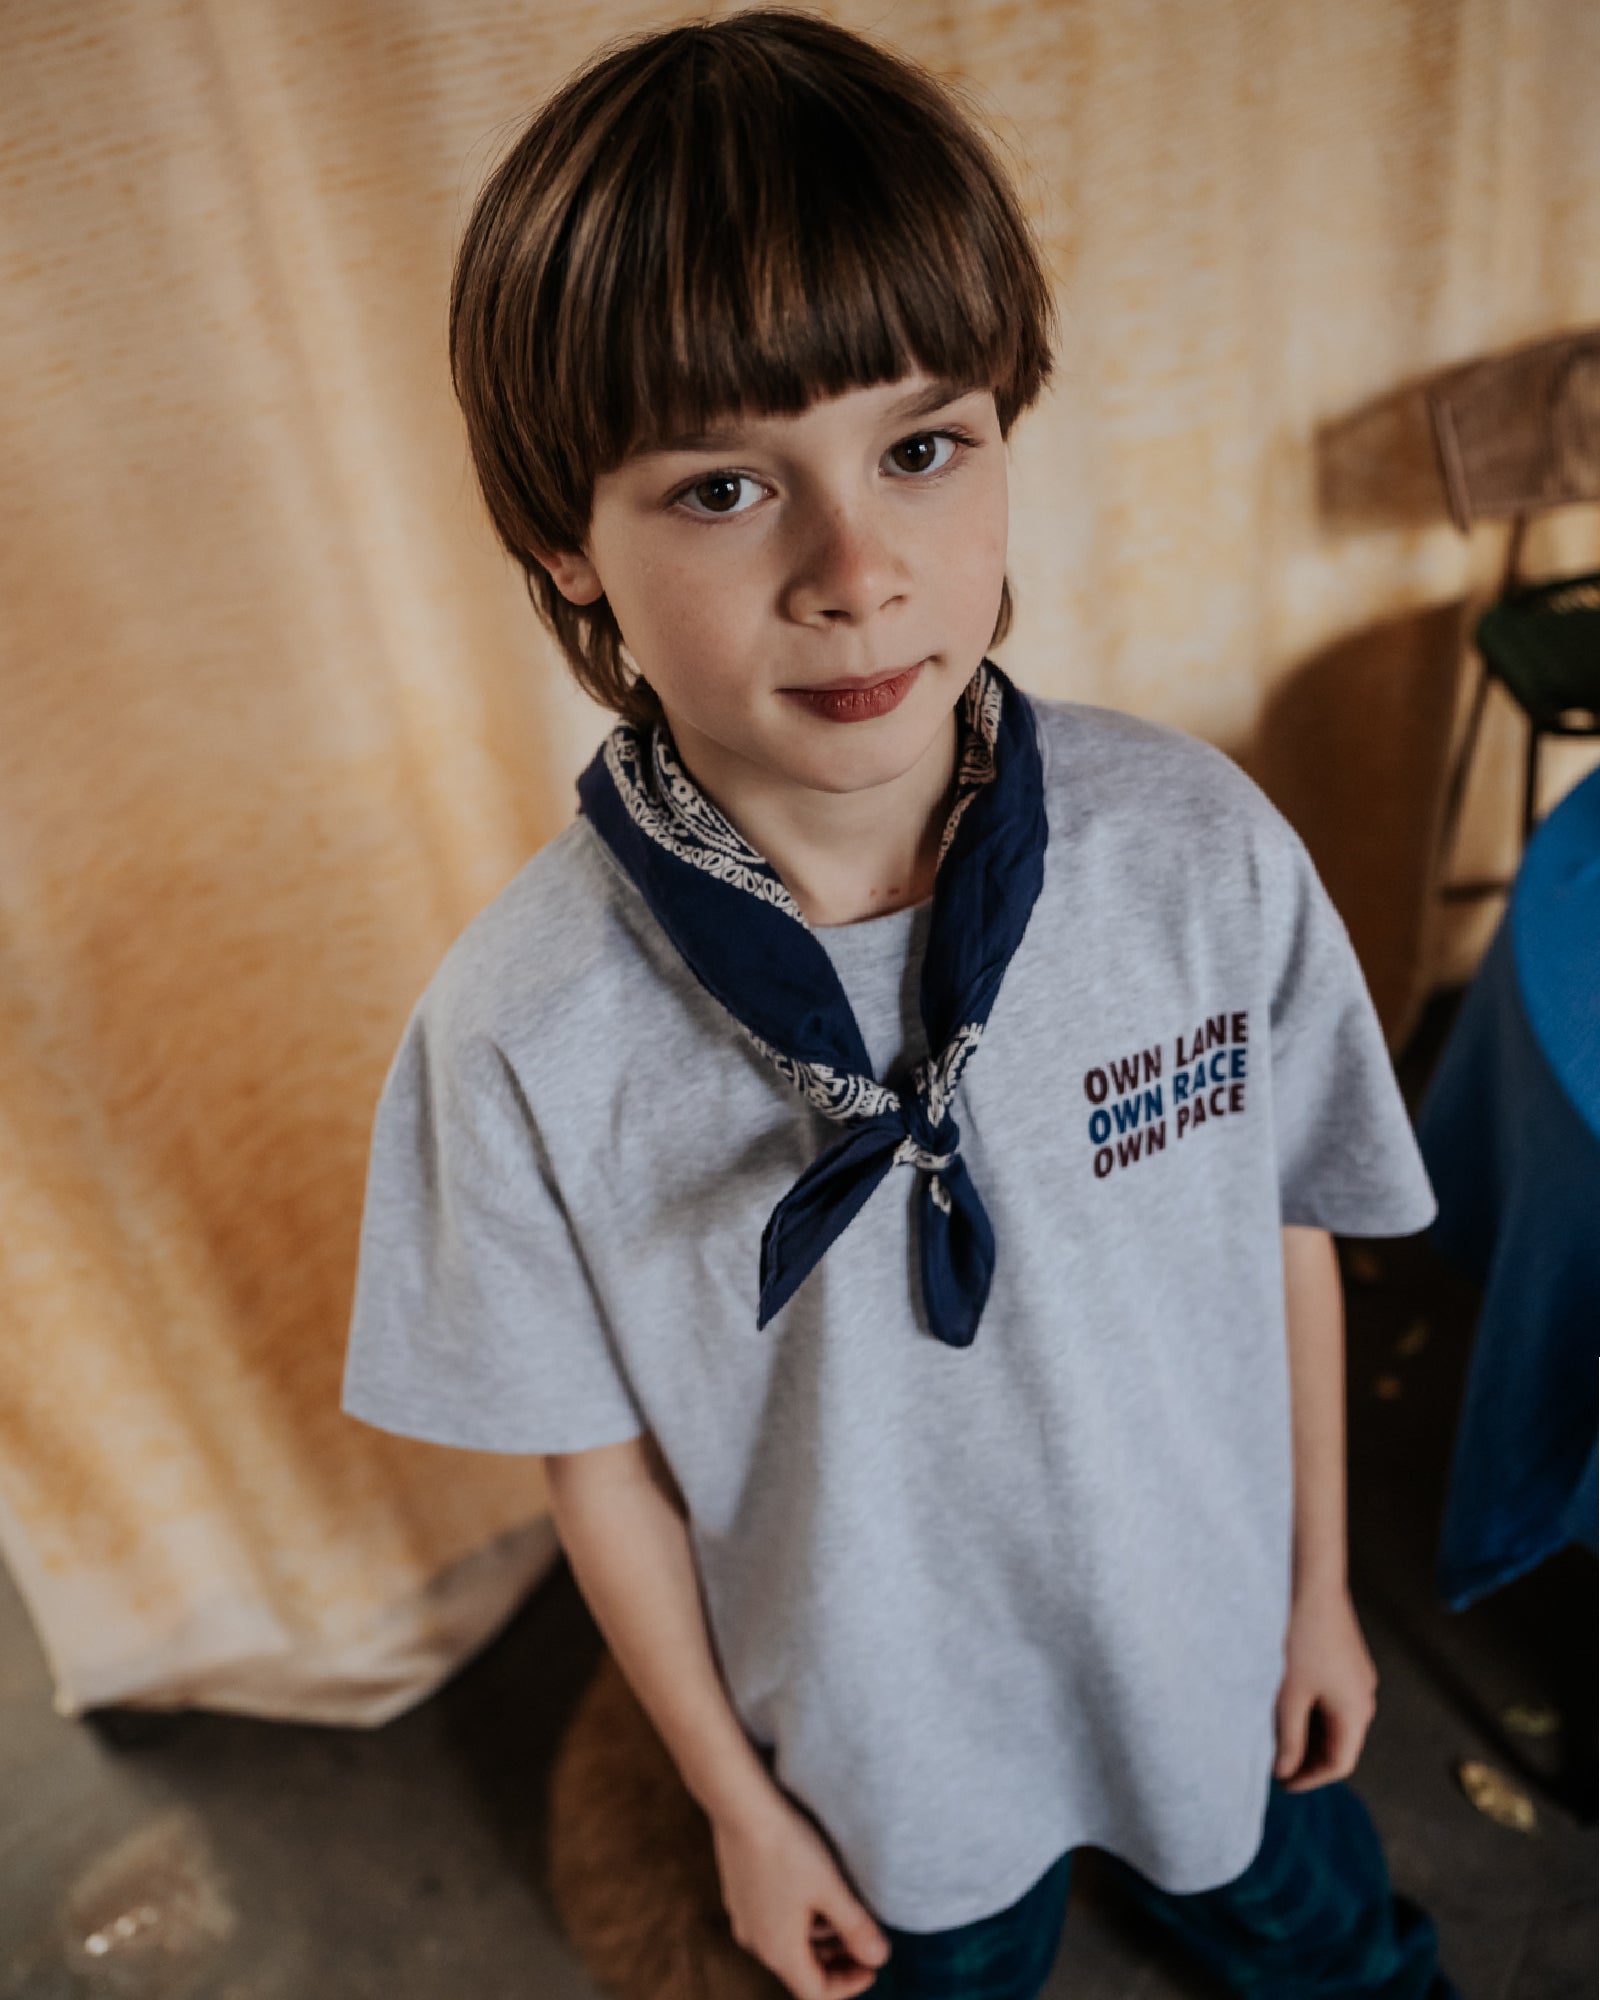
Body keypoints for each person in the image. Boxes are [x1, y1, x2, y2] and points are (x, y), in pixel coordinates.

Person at [342, 13, 1460, 1999]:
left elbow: (1273, 1227)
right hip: (877, 1753)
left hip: (1208, 1642)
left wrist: (1312, 1591)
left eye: (920, 447)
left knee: (1320, 1932)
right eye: (717, 489)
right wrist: (736, 1808)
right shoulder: (513, 1036)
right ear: (557, 539)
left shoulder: (1197, 851)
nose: (856, 570)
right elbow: (593, 1468)